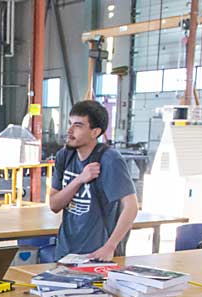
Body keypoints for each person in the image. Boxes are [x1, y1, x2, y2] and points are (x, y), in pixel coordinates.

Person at [49, 100, 139, 261]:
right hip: (66, 252)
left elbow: (131, 207)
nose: (69, 130)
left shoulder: (110, 160)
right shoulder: (64, 156)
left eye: (78, 125)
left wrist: (110, 247)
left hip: (96, 254)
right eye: (70, 123)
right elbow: (54, 205)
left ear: (95, 132)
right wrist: (79, 180)